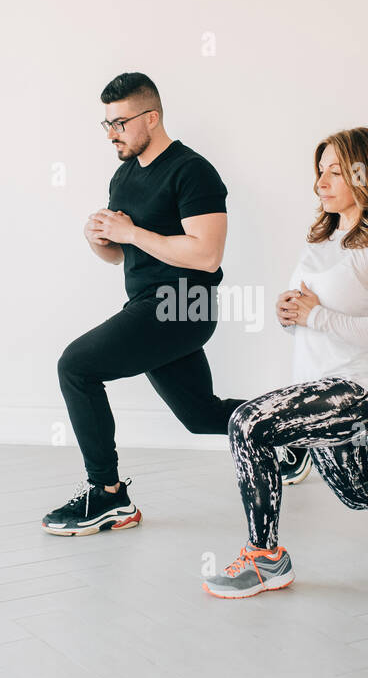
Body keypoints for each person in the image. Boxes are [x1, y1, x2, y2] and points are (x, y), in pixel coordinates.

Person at [203, 128, 368, 598]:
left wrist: (317, 315)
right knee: (362, 495)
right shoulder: (324, 237)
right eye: (320, 171)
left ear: (365, 173)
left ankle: (266, 560)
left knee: (248, 423)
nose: (321, 182)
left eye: (335, 171)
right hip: (317, 384)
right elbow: (306, 317)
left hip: (360, 388)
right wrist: (290, 314)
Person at [44, 73, 246, 536]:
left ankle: (109, 496)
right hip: (150, 302)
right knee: (200, 416)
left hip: (184, 303)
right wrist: (98, 240)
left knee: (76, 366)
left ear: (151, 118)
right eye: (106, 123)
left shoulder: (192, 171)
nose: (111, 132)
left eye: (120, 122)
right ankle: (291, 433)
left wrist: (131, 232)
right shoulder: (124, 175)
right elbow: (122, 255)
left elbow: (207, 253)